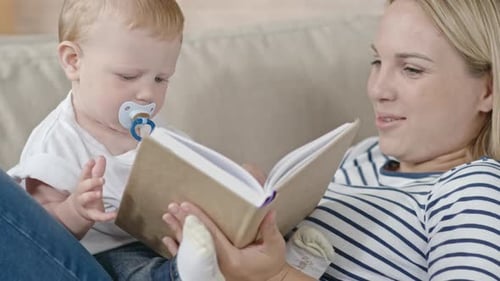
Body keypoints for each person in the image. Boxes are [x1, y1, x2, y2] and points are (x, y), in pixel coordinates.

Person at [163, 0, 500, 280]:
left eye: (411, 69)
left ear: (487, 90)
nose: (378, 89)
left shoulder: (473, 188)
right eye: (377, 61)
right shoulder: (361, 156)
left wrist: (278, 276)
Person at [8, 0, 224, 280]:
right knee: (129, 269)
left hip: (159, 242)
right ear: (74, 61)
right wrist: (75, 210)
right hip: (101, 254)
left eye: (161, 79)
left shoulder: (154, 131)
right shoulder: (57, 142)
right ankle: (183, 273)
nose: (147, 94)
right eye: (128, 76)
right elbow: (39, 234)